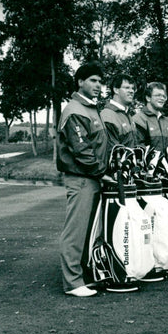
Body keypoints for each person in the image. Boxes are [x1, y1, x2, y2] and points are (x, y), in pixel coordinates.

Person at [56, 62, 110, 297]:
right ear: (80, 82)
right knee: (75, 232)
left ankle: (86, 276)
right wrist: (101, 171)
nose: (98, 86)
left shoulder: (91, 108)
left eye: (100, 81)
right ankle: (73, 282)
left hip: (93, 177)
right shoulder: (74, 109)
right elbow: (82, 150)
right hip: (81, 178)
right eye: (93, 81)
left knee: (91, 231)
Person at [133, 82, 168, 153]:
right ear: (148, 98)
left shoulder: (167, 121)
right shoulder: (138, 120)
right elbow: (139, 148)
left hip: (167, 164)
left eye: (164, 96)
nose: (162, 98)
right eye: (158, 95)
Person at [100, 73, 139, 149]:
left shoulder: (127, 114)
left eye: (133, 88)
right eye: (127, 88)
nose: (131, 91)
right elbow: (112, 152)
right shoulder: (107, 116)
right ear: (116, 90)